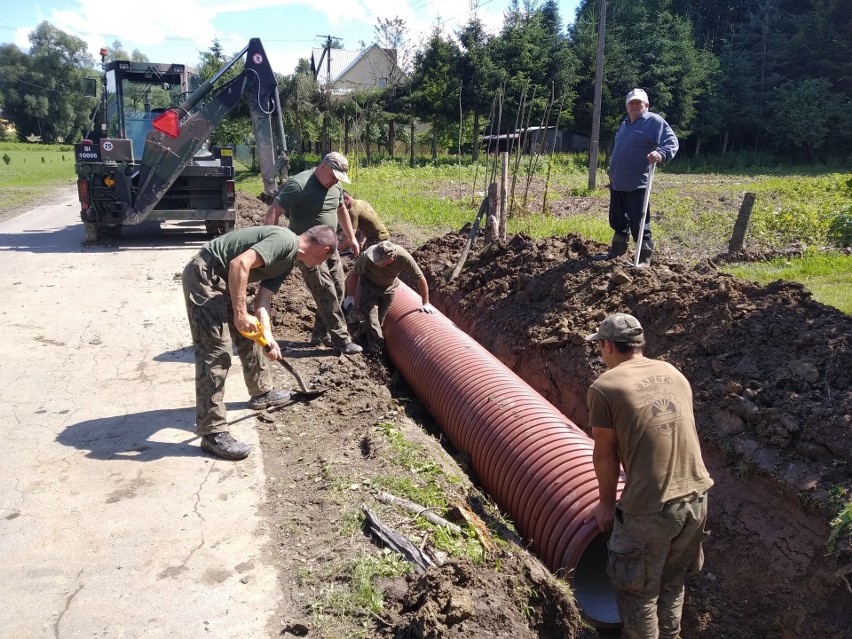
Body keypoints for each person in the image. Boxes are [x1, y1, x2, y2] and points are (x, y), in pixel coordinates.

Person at [583, 313, 713, 639]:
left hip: (651, 508)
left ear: (609, 345)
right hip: (696, 499)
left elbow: (604, 453)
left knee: (639, 593)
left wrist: (604, 504)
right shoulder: (673, 372)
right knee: (671, 584)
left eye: (599, 345)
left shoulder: (605, 387)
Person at [182, 224, 338, 461]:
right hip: (204, 276)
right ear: (324, 250)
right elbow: (239, 264)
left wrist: (270, 338)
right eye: (324, 260)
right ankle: (212, 432)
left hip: (225, 281)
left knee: (251, 333)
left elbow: (263, 301)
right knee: (215, 351)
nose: (319, 266)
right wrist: (240, 313)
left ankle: (261, 392)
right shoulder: (286, 241)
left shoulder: (287, 261)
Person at [264, 152, 362, 355]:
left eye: (339, 178)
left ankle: (319, 334)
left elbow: (341, 209)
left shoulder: (334, 184)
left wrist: (351, 237)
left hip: (328, 247)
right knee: (325, 290)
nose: (335, 181)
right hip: (307, 251)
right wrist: (270, 245)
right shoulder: (299, 184)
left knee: (338, 288)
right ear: (323, 166)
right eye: (333, 175)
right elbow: (274, 211)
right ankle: (341, 340)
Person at [596, 88, 679, 267]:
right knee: (618, 220)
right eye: (631, 103)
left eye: (638, 102)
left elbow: (671, 141)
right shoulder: (625, 123)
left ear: (646, 105)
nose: (634, 105)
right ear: (627, 106)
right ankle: (617, 252)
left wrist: (661, 153)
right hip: (617, 182)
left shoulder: (654, 121)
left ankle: (643, 260)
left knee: (639, 223)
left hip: (637, 184)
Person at [343, 240, 436, 352]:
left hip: (388, 289)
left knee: (380, 321)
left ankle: (359, 333)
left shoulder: (404, 258)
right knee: (373, 322)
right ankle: (375, 352)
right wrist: (349, 297)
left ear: (391, 259)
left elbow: (420, 279)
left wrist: (425, 302)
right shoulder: (368, 256)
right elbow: (354, 274)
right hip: (368, 287)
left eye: (379, 262)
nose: (375, 263)